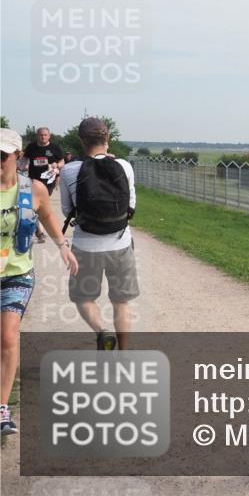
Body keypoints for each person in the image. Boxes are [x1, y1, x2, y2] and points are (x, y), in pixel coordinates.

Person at [1, 128, 79, 436]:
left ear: (17, 157)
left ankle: (2, 407)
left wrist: (63, 246)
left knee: (7, 336)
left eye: (2, 156)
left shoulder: (32, 190)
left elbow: (46, 215)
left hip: (17, 274)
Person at [60, 117, 138, 352]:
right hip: (120, 243)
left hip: (85, 246)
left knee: (83, 298)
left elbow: (67, 209)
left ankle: (102, 332)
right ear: (108, 138)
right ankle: (124, 355)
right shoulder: (124, 166)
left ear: (81, 140)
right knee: (121, 301)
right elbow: (131, 207)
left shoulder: (69, 171)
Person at [23, 127, 64, 242]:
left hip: (48, 181)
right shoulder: (31, 147)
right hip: (33, 180)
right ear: (37, 136)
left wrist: (57, 165)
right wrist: (20, 166)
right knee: (34, 206)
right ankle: (40, 232)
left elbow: (62, 161)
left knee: (40, 207)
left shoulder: (55, 148)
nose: (43, 137)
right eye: (41, 135)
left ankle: (38, 229)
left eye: (45, 135)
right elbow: (24, 159)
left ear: (49, 136)